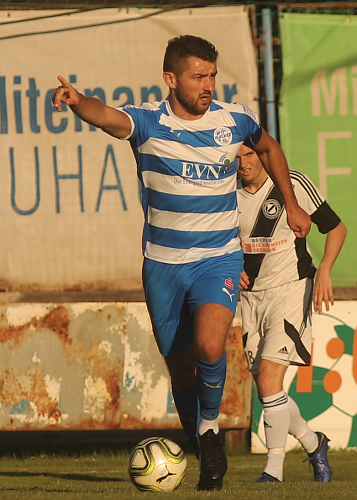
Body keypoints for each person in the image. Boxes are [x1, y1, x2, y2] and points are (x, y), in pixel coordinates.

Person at [52, 35, 311, 491]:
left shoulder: (235, 120)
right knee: (182, 368)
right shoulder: (148, 121)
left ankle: (209, 433)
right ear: (171, 79)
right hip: (164, 266)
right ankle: (199, 436)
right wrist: (76, 101)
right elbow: (105, 115)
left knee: (212, 345)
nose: (207, 85)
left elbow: (269, 148)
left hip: (218, 258)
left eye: (211, 75)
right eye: (197, 77)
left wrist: (290, 203)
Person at [237, 144, 346, 483]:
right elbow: (217, 241)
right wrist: (227, 268)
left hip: (291, 288)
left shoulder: (292, 183)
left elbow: (336, 228)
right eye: (237, 157)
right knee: (267, 391)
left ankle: (273, 472)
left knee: (270, 380)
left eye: (250, 155)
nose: (244, 164)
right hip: (249, 298)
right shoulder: (226, 191)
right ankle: (315, 445)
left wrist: (325, 269)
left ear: (265, 155)